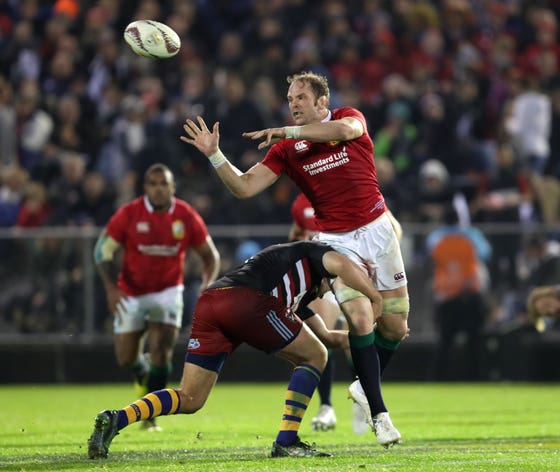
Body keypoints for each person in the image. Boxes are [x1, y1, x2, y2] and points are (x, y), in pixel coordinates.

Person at [181, 71, 409, 447]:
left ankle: (364, 389)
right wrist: (215, 155)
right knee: (361, 315)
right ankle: (381, 417)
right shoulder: (285, 151)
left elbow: (348, 130)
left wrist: (288, 131)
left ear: (322, 102)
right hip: (336, 240)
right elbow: (244, 186)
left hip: (380, 230)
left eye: (300, 98)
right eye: (289, 99)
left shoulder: (348, 118)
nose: (293, 105)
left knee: (396, 328)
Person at [87, 240, 383, 459]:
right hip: (247, 301)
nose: (329, 292)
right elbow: (343, 266)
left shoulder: (296, 293)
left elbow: (329, 337)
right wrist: (373, 296)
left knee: (191, 398)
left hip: (212, 302)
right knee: (314, 356)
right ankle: (286, 440)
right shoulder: (316, 251)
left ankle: (114, 419)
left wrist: (366, 338)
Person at [94, 163, 220, 431]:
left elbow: (211, 256)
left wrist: (206, 285)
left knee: (162, 351)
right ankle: (142, 370)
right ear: (145, 188)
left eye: (164, 183)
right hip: (131, 292)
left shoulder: (185, 215)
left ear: (173, 187)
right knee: (126, 358)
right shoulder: (130, 213)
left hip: (168, 291)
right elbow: (101, 251)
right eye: (153, 183)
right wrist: (111, 289)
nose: (159, 189)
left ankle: (149, 417)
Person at [289, 192, 346, 432]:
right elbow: (295, 234)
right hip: (316, 278)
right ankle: (327, 406)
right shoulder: (300, 202)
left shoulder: (341, 191)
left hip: (342, 274)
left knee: (333, 339)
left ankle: (364, 399)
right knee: (322, 337)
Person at [426, 205, 492, 380]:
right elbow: (485, 254)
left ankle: (439, 378)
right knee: (475, 340)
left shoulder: (436, 237)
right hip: (470, 292)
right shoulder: (471, 235)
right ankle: (476, 377)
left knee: (445, 341)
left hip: (446, 294)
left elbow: (431, 255)